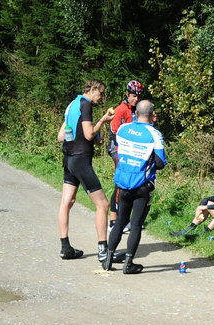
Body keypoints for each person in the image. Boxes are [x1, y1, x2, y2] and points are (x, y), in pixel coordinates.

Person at [102, 100, 166, 274]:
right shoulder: (154, 134)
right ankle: (128, 264)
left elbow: (116, 146)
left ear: (135, 113)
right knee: (136, 224)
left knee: (120, 221)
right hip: (141, 186)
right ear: (152, 114)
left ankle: (108, 258)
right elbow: (160, 163)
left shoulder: (123, 128)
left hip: (123, 183)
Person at [57, 79, 115, 260]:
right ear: (92, 89)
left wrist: (89, 137)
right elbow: (89, 133)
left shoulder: (72, 104)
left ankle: (65, 247)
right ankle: (103, 250)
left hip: (68, 159)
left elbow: (61, 136)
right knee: (103, 204)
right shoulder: (86, 104)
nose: (102, 97)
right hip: (81, 160)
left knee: (67, 202)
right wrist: (102, 121)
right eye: (101, 93)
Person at [107, 80, 144, 234]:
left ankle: (127, 219)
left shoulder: (137, 110)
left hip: (131, 151)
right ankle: (113, 221)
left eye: (138, 96)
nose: (136, 99)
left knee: (132, 183)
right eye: (134, 96)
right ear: (128, 94)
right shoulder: (120, 110)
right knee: (120, 182)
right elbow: (114, 133)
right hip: (118, 150)